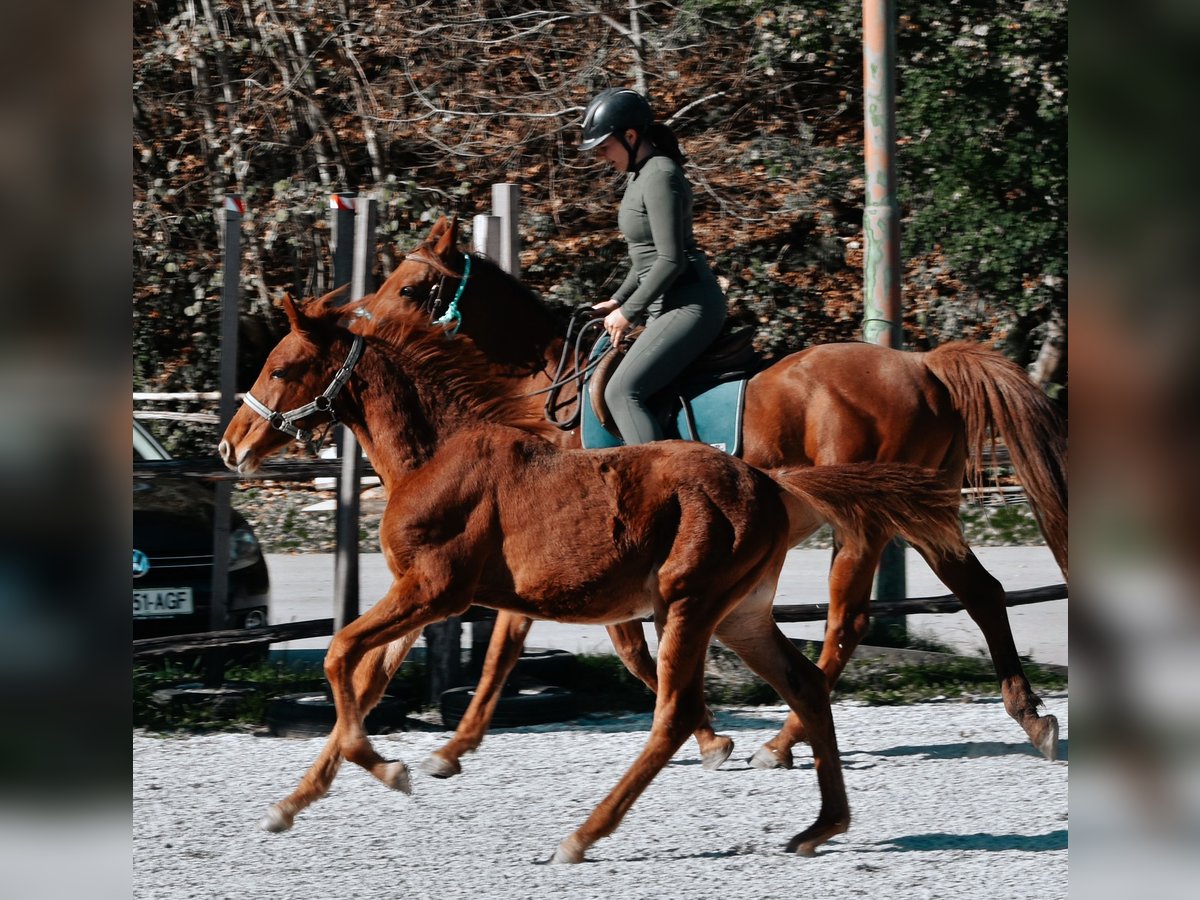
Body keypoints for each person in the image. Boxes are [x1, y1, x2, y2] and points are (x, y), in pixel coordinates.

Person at [580, 87, 728, 444]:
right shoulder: (638, 175)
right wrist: (617, 300)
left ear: (631, 136)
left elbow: (670, 259)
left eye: (605, 147)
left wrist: (629, 312)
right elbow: (645, 257)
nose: (602, 157)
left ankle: (663, 484)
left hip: (690, 305)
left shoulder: (661, 174)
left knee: (621, 392)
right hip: (665, 305)